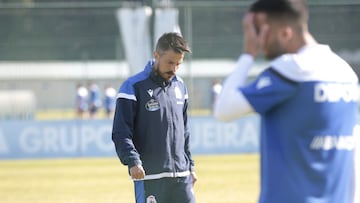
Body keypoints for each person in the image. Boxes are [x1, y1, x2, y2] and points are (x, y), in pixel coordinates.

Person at [213, 0, 359, 203]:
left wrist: (248, 53)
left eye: (262, 31)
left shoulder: (292, 69)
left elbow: (224, 109)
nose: (259, 40)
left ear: (285, 33)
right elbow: (354, 155)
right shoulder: (346, 73)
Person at [112, 32, 197, 203]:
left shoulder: (180, 86)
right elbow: (121, 132)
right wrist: (133, 161)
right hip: (149, 177)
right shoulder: (133, 87)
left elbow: (184, 131)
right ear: (156, 55)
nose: (173, 69)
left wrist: (190, 166)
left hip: (181, 177)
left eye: (178, 64)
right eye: (170, 62)